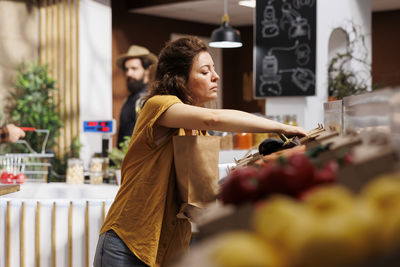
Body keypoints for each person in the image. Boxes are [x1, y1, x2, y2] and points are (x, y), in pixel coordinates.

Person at [94, 36, 307, 267]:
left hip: (166, 250)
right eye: (205, 72)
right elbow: (213, 118)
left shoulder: (196, 133)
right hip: (127, 244)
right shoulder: (158, 106)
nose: (216, 77)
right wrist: (281, 127)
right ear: (179, 79)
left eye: (213, 70)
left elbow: (196, 201)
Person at [116, 45, 158, 148]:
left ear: (147, 70)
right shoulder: (129, 98)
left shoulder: (149, 98)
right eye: (127, 69)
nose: (129, 73)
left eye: (134, 68)